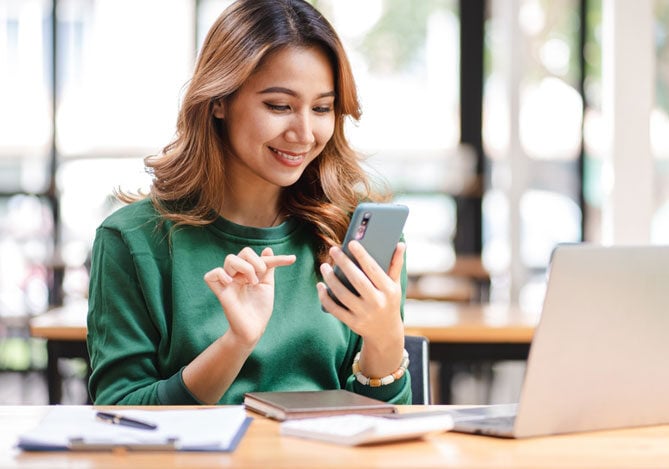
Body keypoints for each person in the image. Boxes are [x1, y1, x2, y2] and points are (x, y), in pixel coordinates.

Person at [86, 0, 411, 406]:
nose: (304, 133)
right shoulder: (132, 241)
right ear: (219, 100)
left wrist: (385, 338)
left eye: (322, 108)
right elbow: (118, 413)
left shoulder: (349, 236)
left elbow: (382, 426)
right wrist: (235, 342)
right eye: (279, 106)